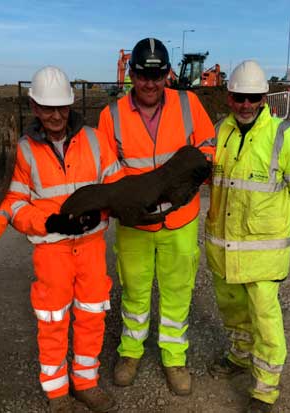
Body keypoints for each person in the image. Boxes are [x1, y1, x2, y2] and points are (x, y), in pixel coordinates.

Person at [0, 66, 124, 413]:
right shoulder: (23, 151)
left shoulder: (96, 140)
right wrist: (49, 221)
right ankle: (56, 392)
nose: (56, 115)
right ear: (34, 107)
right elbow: (16, 205)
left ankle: (85, 383)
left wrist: (98, 212)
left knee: (92, 314)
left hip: (91, 248)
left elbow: (116, 186)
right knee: (53, 319)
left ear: (71, 106)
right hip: (51, 249)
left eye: (62, 107)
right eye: (48, 108)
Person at [97, 37, 215, 396]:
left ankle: (173, 357)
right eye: (142, 75)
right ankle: (130, 353)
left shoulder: (189, 104)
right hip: (135, 221)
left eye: (157, 74)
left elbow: (209, 146)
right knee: (133, 289)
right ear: (131, 74)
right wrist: (130, 199)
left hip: (180, 219)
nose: (150, 83)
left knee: (177, 291)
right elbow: (107, 168)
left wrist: (193, 178)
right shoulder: (111, 115)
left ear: (167, 74)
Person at [205, 60, 290, 413]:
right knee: (233, 310)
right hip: (224, 247)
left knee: (265, 320)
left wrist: (278, 223)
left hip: (263, 252)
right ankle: (239, 356)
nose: (246, 104)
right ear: (229, 96)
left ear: (264, 97)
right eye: (239, 96)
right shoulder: (220, 130)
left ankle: (264, 391)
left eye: (253, 97)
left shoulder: (284, 134)